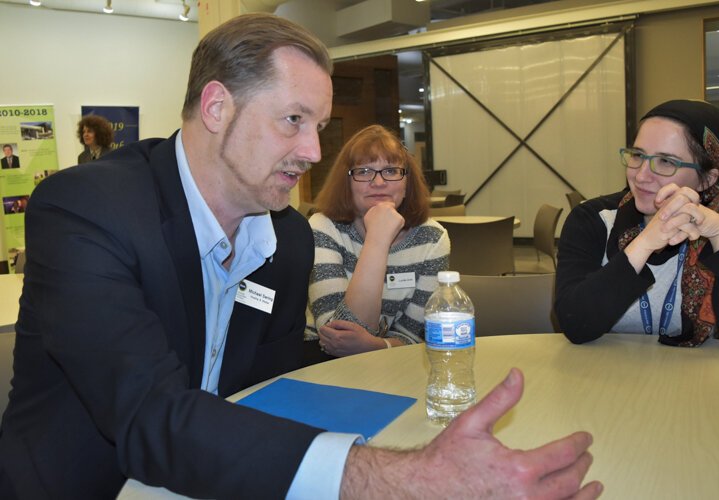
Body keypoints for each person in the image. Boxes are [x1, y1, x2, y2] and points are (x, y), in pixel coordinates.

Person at [0, 13, 601, 499]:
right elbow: (147, 416)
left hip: (222, 475)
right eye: (293, 120)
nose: (314, 151)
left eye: (318, 125)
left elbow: (269, 392)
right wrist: (409, 478)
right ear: (216, 108)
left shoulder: (285, 239)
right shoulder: (88, 208)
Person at [555, 99, 719, 354]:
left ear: (707, 179)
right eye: (638, 155)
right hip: (606, 379)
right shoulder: (593, 219)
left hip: (701, 384)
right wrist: (645, 243)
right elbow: (575, 325)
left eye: (667, 161)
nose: (641, 175)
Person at [306, 124, 449, 358]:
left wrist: (376, 346)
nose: (379, 182)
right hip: (321, 363)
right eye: (363, 171)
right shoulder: (323, 227)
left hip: (397, 362)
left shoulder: (432, 238)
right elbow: (337, 336)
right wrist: (377, 239)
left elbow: (416, 336)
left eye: (391, 171)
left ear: (407, 181)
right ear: (347, 182)